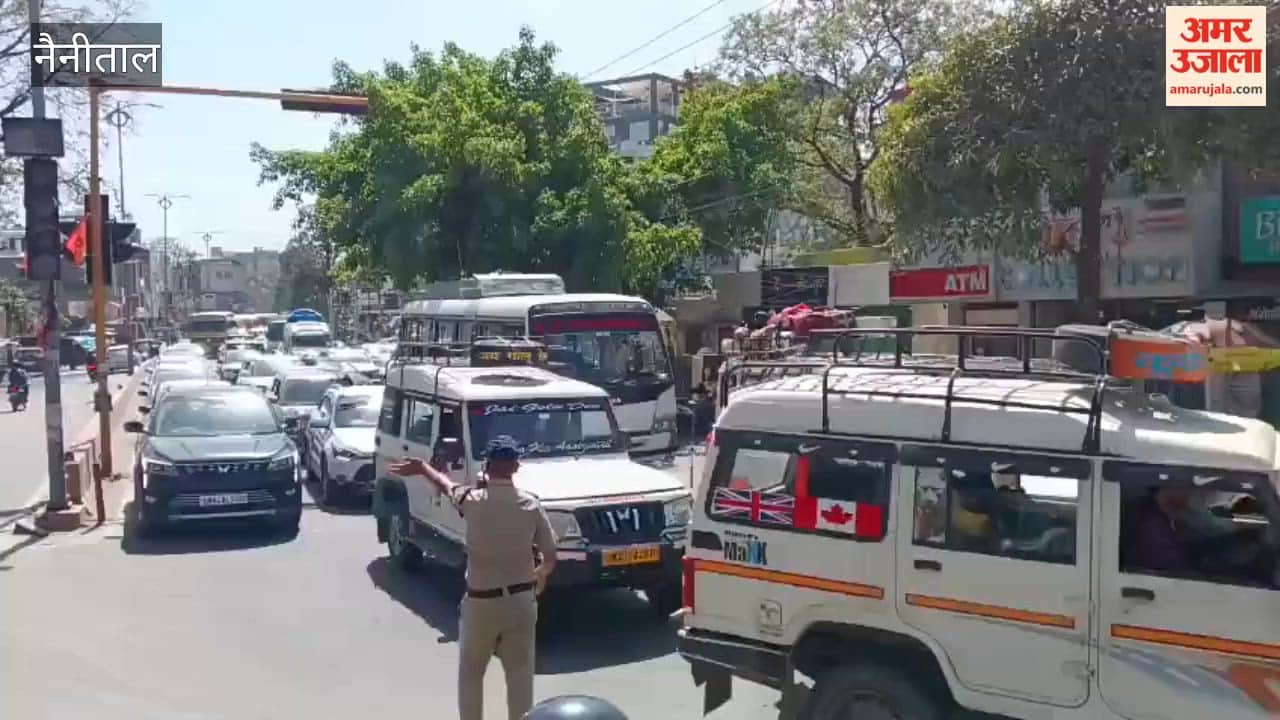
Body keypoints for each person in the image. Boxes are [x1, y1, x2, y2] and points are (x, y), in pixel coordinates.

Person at [387, 435, 558, 720]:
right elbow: (550, 555)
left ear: (487, 466)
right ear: (516, 466)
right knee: (520, 676)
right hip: (521, 601)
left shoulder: (473, 501)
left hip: (481, 603)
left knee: (471, 673)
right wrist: (539, 575)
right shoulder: (530, 505)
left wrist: (422, 468)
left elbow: (446, 485)